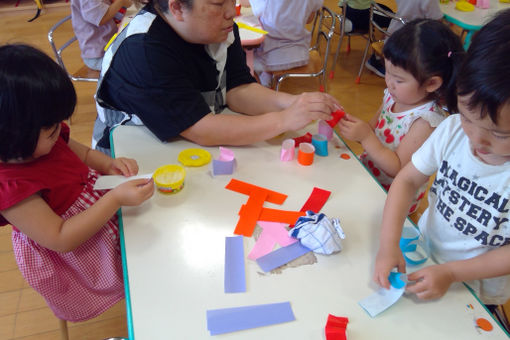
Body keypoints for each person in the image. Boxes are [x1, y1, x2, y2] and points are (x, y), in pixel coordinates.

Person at [0, 44, 155, 321]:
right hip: (77, 245)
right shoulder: (11, 188)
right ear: (12, 134)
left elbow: (77, 150)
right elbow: (60, 238)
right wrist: (115, 198)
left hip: (93, 207)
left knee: (141, 255)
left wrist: (107, 163)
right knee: (130, 279)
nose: (59, 130)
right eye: (51, 130)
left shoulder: (45, 135)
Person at [373, 9, 510, 308]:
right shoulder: (450, 129)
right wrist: (388, 244)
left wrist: (451, 273)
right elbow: (407, 179)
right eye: (468, 118)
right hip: (424, 256)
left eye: (501, 135)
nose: (476, 139)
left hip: (474, 289)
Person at [92, 0, 339, 155]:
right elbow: (201, 129)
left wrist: (293, 103)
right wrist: (283, 120)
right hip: (132, 157)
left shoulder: (221, 29)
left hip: (186, 145)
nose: (232, 11)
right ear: (177, 7)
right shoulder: (145, 49)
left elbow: (237, 88)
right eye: (219, 3)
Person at [338, 19, 464, 215]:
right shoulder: (392, 95)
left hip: (392, 197)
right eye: (387, 72)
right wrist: (350, 127)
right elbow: (372, 126)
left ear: (431, 84)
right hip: (370, 175)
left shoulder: (426, 121)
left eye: (398, 79)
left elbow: (397, 169)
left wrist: (365, 137)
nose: (389, 83)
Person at [242, 0, 323, 87]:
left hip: (272, 58)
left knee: (243, 59)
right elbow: (309, 19)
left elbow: (244, 3)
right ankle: (270, 78)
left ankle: (264, 83)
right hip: (300, 54)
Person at [71, 0, 133, 71]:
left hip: (110, 47)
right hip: (98, 56)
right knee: (135, 63)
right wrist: (121, 2)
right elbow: (100, 18)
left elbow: (114, 12)